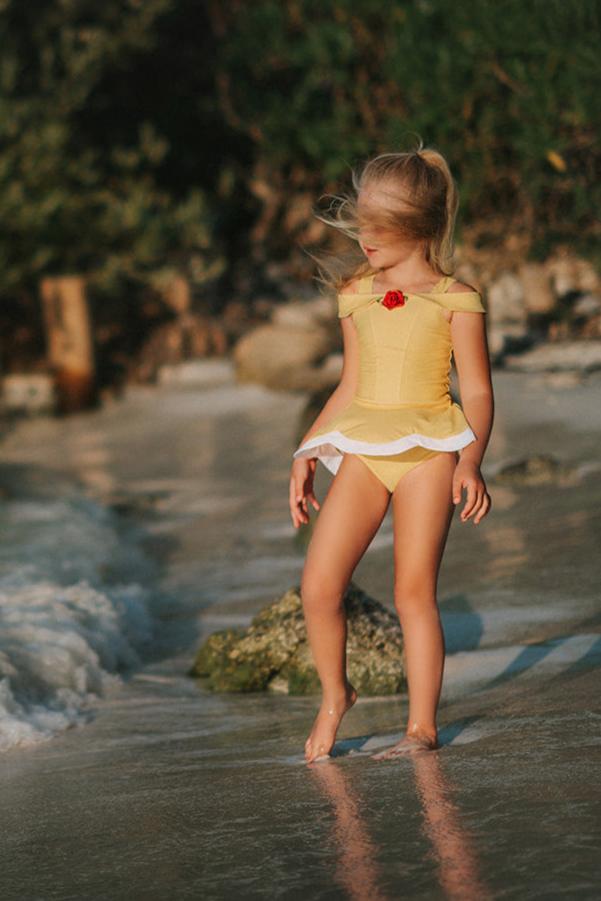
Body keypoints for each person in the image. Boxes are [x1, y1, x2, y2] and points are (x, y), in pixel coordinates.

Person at [288, 145, 494, 764]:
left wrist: (470, 460)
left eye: (381, 224)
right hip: (363, 448)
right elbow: (350, 384)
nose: (365, 235)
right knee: (319, 585)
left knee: (413, 594)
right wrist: (305, 451)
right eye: (362, 221)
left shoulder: (456, 298)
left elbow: (479, 390)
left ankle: (420, 729)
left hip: (431, 450)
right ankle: (335, 697)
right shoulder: (355, 293)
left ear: (420, 226)